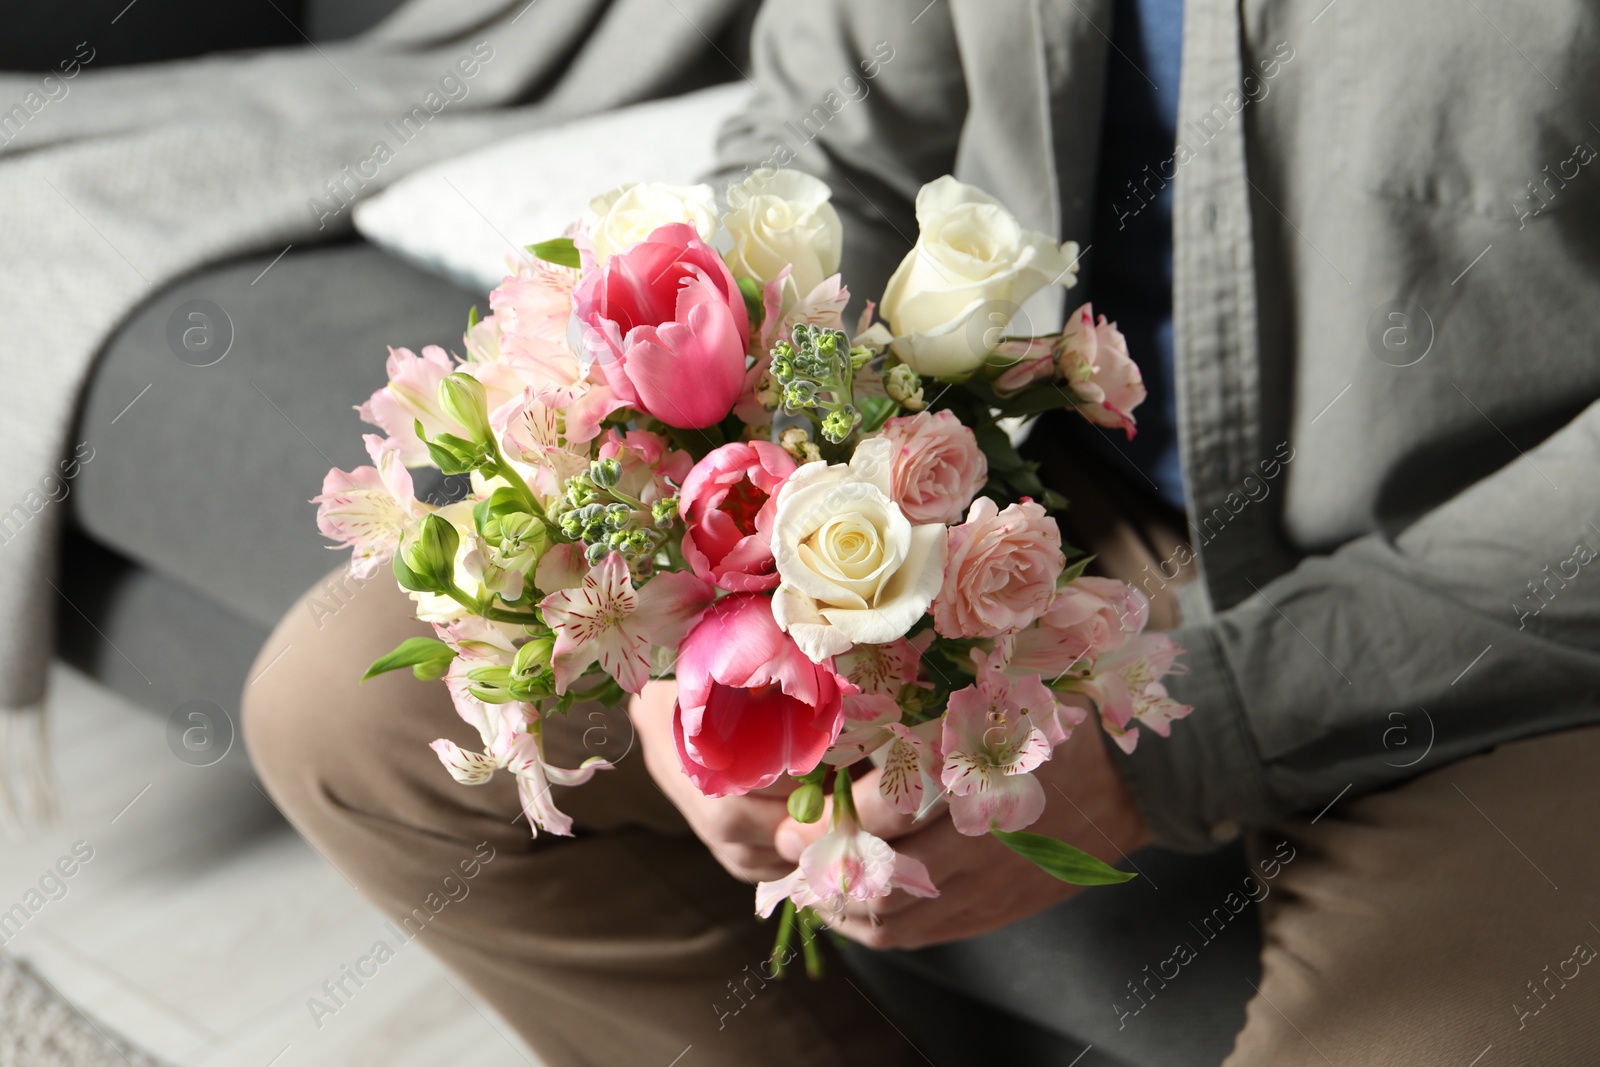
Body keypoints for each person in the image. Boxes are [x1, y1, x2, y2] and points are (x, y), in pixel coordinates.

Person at [244, 1, 1600, 1064]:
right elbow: (823, 158)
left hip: (1514, 624)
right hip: (1063, 482)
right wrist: (683, 599)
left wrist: (1198, 740)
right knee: (347, 718)